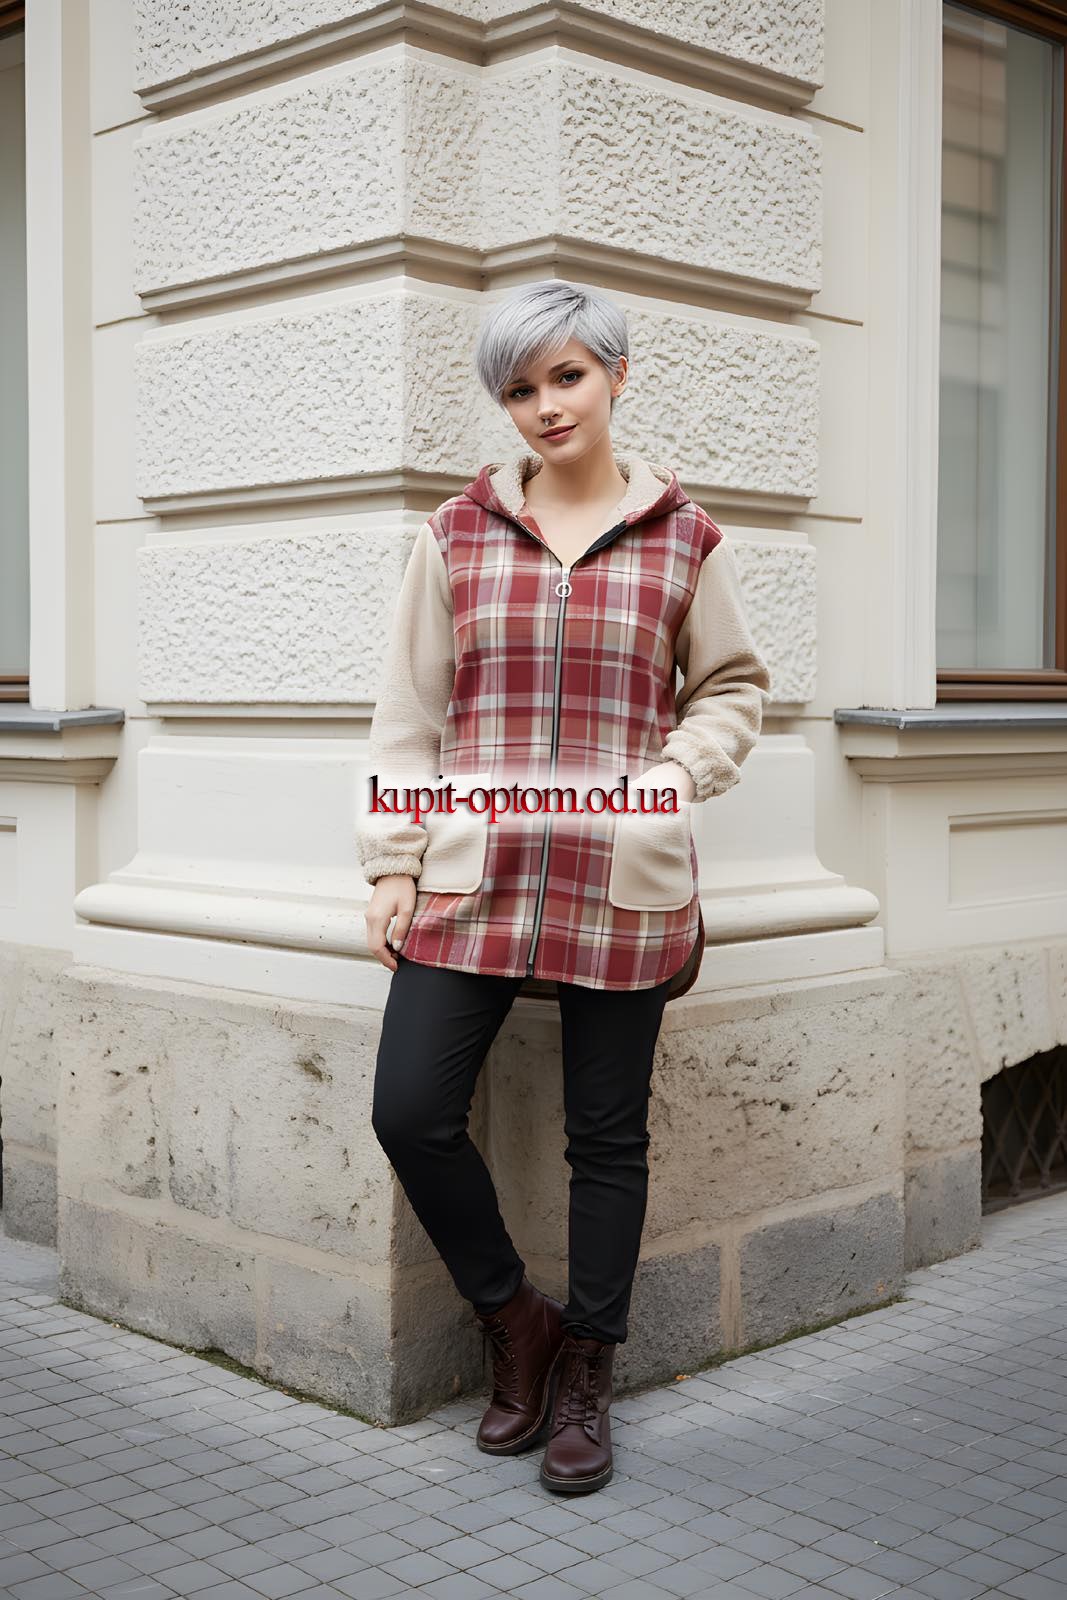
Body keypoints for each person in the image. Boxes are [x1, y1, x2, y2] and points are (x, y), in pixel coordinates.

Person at [357, 279, 771, 1495]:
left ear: (616, 375)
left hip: (620, 881)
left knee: (606, 1137)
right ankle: (515, 1318)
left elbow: (732, 688)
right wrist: (392, 863)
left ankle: (587, 1366)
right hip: (471, 876)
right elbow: (408, 716)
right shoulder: (456, 533)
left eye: (567, 375)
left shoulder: (685, 538)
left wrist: (671, 775)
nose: (544, 405)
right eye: (519, 387)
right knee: (408, 1109)